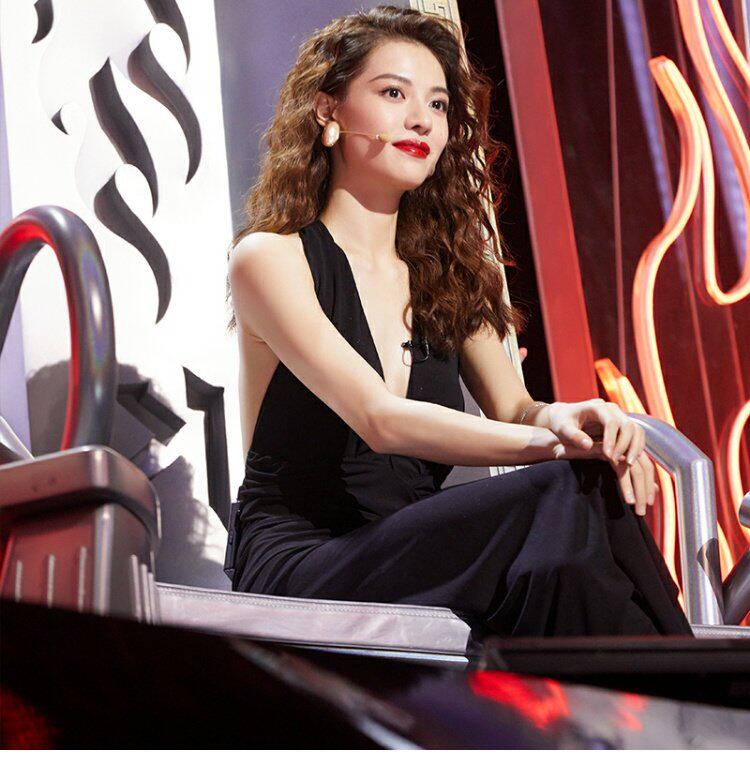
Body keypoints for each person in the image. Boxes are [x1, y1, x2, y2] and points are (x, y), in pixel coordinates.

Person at [224, 5, 693, 641]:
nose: (422, 118)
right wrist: (559, 447)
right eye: (394, 93)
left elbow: (517, 409)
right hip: (305, 561)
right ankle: (683, 678)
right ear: (327, 109)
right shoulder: (270, 259)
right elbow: (379, 420)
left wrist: (565, 418)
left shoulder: (453, 272)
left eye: (439, 104)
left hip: (419, 551)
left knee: (570, 540)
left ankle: (651, 681)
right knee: (564, 489)